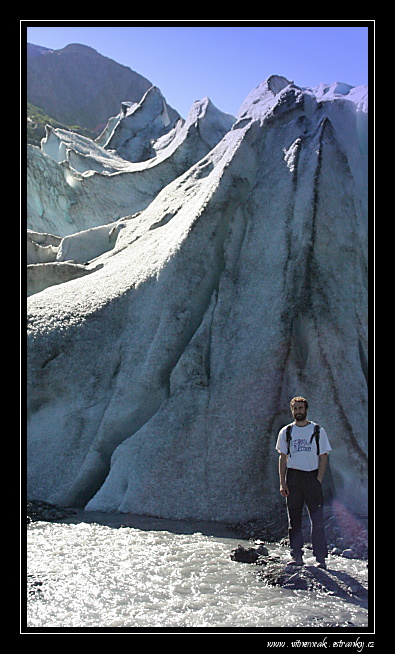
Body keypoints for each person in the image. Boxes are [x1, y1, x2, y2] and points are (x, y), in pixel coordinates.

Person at [276, 396, 332, 569]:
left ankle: (320, 558)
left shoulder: (317, 430)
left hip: (311, 477)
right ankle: (297, 556)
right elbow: (282, 458)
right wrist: (282, 483)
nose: (298, 411)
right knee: (294, 519)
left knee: (317, 519)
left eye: (301, 408)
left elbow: (324, 457)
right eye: (295, 409)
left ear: (306, 409)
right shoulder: (286, 432)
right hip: (293, 478)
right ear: (292, 411)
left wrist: (318, 479)